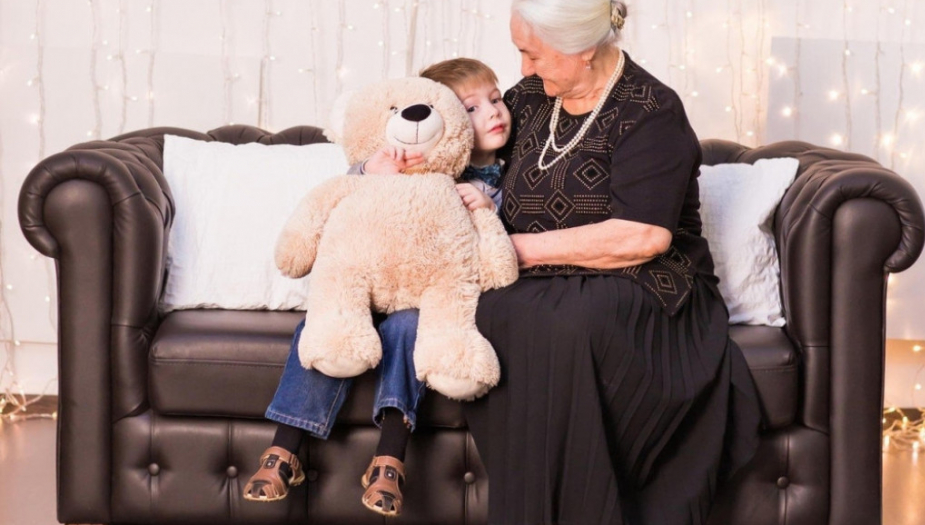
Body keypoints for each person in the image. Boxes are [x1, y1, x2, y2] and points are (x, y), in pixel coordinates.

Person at [455, 1, 762, 524]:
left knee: (565, 324)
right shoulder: (527, 98)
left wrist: (511, 249)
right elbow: (452, 151)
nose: (523, 68)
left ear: (583, 48)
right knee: (496, 313)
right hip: (538, 279)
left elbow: (643, 236)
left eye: (533, 54)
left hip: (648, 283)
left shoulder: (650, 110)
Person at [241, 57, 513, 519]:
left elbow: (496, 243)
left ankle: (389, 459)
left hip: (428, 298)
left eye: (496, 99)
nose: (492, 113)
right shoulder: (401, 156)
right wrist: (371, 169)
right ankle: (283, 449)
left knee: (407, 328)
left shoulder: (506, 175)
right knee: (325, 327)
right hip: (369, 286)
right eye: (470, 108)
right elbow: (350, 193)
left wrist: (488, 203)